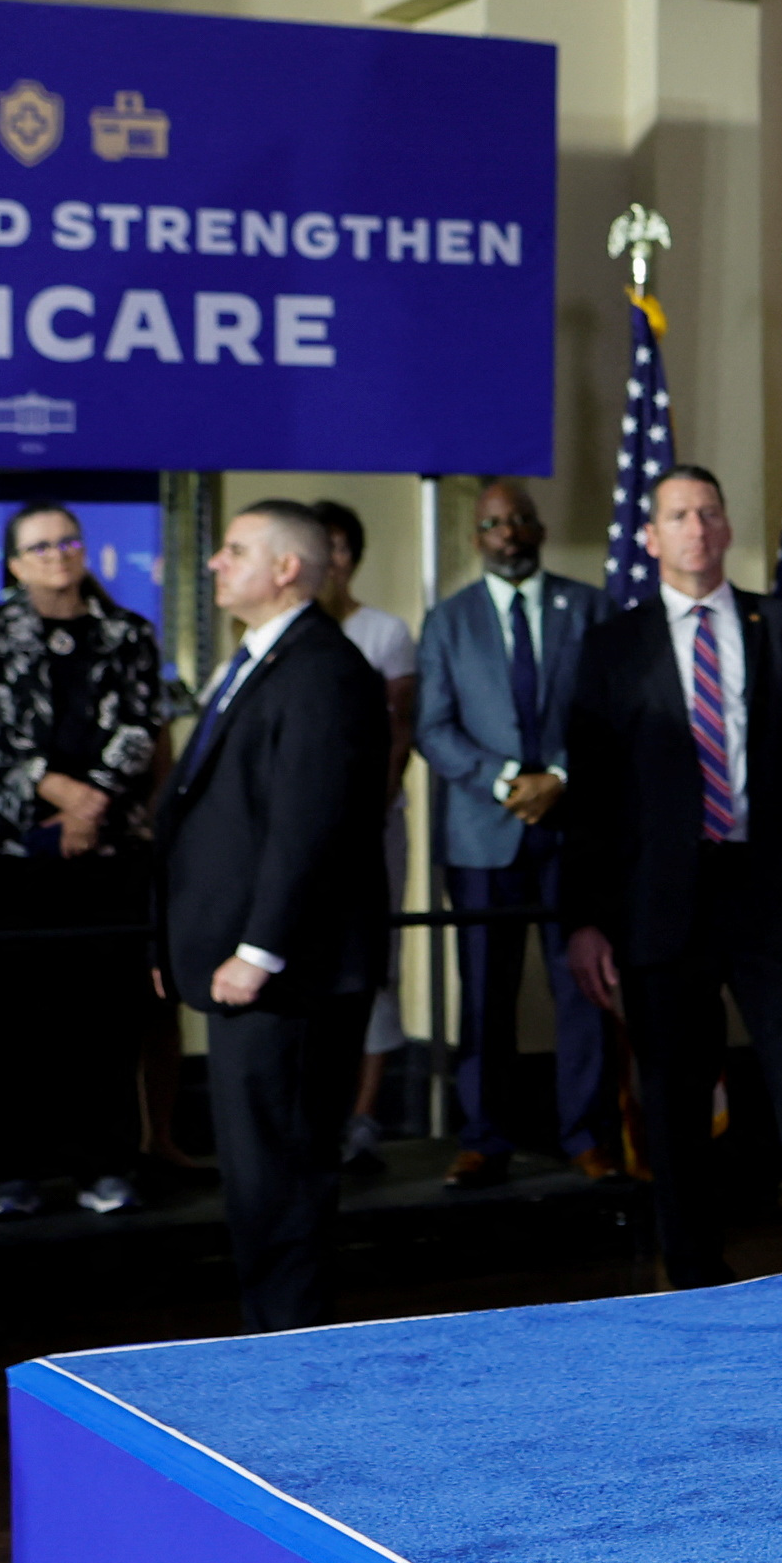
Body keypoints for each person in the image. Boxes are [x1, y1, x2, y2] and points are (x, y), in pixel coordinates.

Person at [562, 465, 782, 1283]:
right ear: (650, 538)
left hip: (768, 893)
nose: (695, 527)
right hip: (658, 905)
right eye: (677, 515)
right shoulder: (609, 646)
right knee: (672, 1098)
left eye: (708, 512)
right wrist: (584, 919)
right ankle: (692, 1276)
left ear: (727, 528)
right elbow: (591, 797)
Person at [155, 501, 389, 1333]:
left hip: (290, 975)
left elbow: (309, 827)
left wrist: (259, 950)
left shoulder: (322, 670)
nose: (215, 564)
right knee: (256, 1178)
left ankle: (287, 1357)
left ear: (287, 568)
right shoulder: (258, 659)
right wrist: (176, 937)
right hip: (247, 969)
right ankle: (270, 1345)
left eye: (233, 550)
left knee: (283, 1177)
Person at [0, 506, 166, 1219]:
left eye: (67, 542)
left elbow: (142, 725)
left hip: (105, 857)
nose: (57, 555)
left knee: (102, 1019)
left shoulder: (128, 632)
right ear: (11, 564)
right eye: (38, 546)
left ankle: (105, 1166)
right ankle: (11, 1173)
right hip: (14, 860)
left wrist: (91, 805)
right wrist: (56, 789)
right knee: (12, 1022)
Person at [414, 479, 603, 1189]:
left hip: (572, 828)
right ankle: (484, 1139)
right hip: (480, 834)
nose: (510, 533)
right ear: (477, 538)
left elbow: (607, 711)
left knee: (580, 987)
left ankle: (585, 1134)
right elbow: (432, 727)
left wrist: (557, 775)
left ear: (539, 529)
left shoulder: (587, 606)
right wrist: (504, 783)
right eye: (495, 524)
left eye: (521, 520)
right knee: (485, 995)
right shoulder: (448, 621)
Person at [312, 498, 421, 1169]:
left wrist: (363, 815)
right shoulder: (283, 632)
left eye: (341, 547)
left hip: (372, 829)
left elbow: (399, 732)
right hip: (305, 838)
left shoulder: (384, 631)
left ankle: (363, 1115)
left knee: (374, 967)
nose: (332, 560)